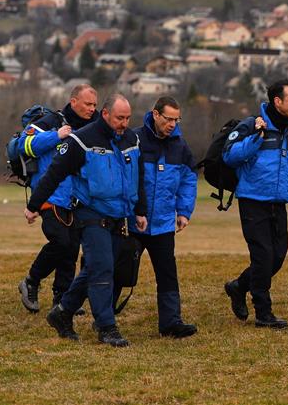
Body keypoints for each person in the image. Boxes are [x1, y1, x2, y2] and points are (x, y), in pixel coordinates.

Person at [25, 93, 147, 347]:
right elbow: (55, 173)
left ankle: (62, 312)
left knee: (96, 268)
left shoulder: (132, 140)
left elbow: (138, 176)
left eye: (127, 118)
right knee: (102, 269)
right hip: (90, 214)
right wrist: (34, 205)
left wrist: (140, 210)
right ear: (105, 114)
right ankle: (106, 327)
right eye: (119, 118)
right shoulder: (82, 140)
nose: (124, 123)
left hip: (119, 214)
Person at [222, 78, 288, 329]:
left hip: (278, 203)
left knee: (277, 257)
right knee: (263, 257)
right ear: (277, 101)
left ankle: (239, 286)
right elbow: (230, 156)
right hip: (253, 201)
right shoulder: (252, 125)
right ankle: (264, 312)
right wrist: (256, 137)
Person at [17, 84, 97, 314]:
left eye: (94, 104)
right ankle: (31, 280)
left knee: (71, 248)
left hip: (77, 196)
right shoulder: (50, 121)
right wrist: (56, 136)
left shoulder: (92, 125)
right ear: (73, 102)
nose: (92, 109)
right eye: (88, 104)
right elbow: (25, 145)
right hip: (50, 193)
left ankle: (62, 300)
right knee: (61, 242)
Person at [124, 96, 198, 338]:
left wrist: (184, 211)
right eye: (168, 119)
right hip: (134, 222)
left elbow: (189, 179)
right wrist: (132, 211)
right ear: (155, 115)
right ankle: (104, 318)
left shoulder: (180, 146)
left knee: (167, 274)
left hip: (164, 224)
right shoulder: (133, 140)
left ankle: (171, 323)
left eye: (176, 120)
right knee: (121, 271)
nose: (172, 125)